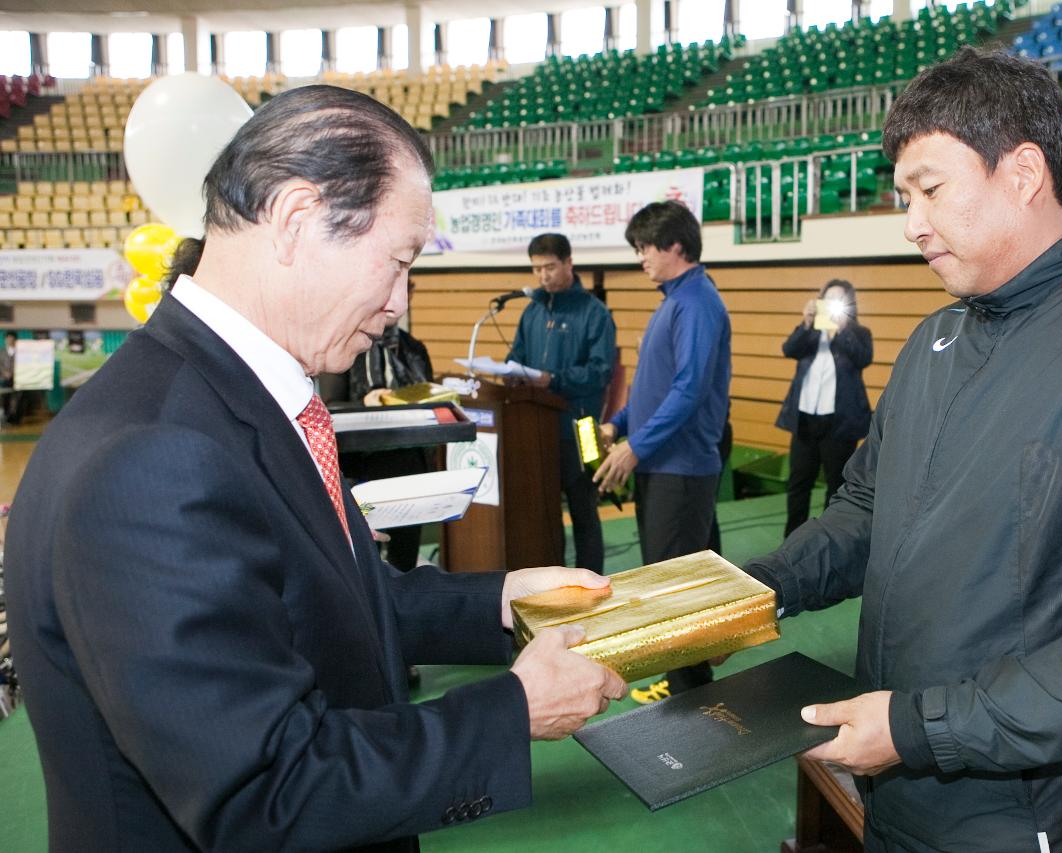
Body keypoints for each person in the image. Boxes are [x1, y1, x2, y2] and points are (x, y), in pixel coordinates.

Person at [4, 85, 626, 853]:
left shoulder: (227, 396)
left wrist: (499, 599)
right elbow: (266, 790)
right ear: (298, 219)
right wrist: (513, 709)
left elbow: (315, 596)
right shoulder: (153, 458)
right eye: (397, 262)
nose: (400, 303)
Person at [740, 47, 1062, 852]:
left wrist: (920, 726)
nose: (911, 223)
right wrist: (754, 585)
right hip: (906, 780)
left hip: (1033, 813)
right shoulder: (937, 335)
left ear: (1022, 172)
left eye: (931, 190)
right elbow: (872, 508)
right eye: (903, 196)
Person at [594, 200, 731, 701]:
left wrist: (635, 447)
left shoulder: (696, 302)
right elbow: (657, 388)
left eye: (646, 248)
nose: (641, 258)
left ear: (675, 246)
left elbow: (690, 389)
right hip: (665, 462)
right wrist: (619, 425)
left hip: (680, 466)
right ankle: (685, 682)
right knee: (674, 581)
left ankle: (690, 691)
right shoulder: (677, 299)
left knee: (674, 589)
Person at [507, 233, 617, 573]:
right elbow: (516, 357)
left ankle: (592, 584)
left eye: (550, 267)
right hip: (535, 429)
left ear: (569, 263)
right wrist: (509, 371)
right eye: (537, 269)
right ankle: (549, 583)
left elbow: (600, 373)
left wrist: (552, 379)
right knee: (543, 514)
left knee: (585, 512)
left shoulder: (595, 313)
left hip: (583, 428)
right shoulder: (532, 312)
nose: (543, 276)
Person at [336, 289, 436, 571]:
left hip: (408, 462)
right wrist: (364, 402)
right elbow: (329, 404)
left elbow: (428, 393)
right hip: (364, 466)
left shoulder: (414, 348)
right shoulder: (350, 343)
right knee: (365, 559)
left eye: (404, 291)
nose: (394, 302)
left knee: (404, 557)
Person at [777, 279, 874, 537]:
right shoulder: (810, 335)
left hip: (839, 423)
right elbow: (788, 349)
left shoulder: (858, 333)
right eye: (826, 299)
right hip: (806, 420)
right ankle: (792, 541)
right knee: (798, 483)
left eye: (837, 301)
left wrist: (841, 330)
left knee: (836, 486)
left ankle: (829, 542)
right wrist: (807, 322)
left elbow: (863, 358)